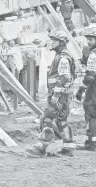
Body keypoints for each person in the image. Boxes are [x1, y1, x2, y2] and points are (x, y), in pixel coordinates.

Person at [26, 29, 76, 157]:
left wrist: (56, 95)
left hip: (59, 95)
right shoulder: (62, 55)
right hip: (64, 95)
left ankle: (41, 148)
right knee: (61, 121)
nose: (52, 42)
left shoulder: (63, 57)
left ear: (61, 42)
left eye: (55, 40)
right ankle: (68, 147)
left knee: (47, 119)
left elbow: (64, 78)